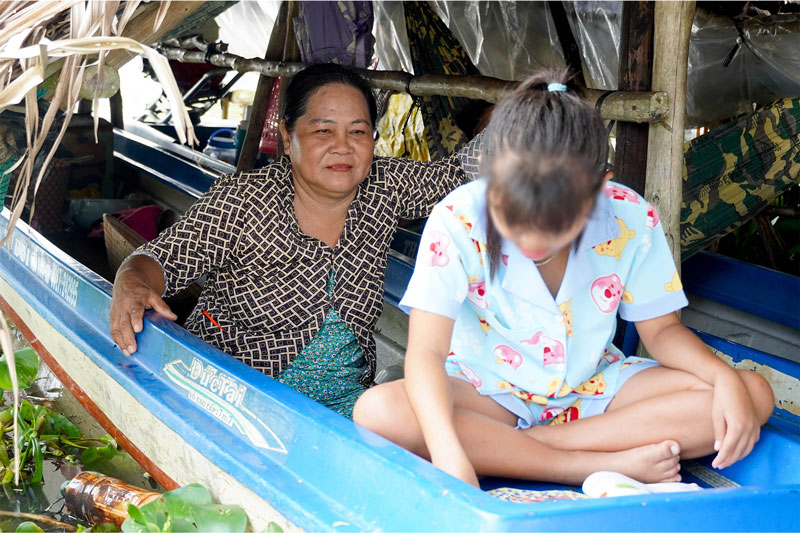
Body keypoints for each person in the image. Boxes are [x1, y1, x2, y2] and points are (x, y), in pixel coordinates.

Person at [353, 69, 775, 487]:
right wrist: (447, 453)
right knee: (379, 411)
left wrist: (723, 377)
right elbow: (426, 351)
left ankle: (525, 448)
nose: (534, 235)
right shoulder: (457, 218)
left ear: (598, 190)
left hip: (592, 387)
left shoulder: (629, 214)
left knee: (752, 394)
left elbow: (663, 330)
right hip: (488, 391)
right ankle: (580, 464)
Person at [109, 63, 480, 418]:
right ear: (288, 136)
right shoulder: (244, 200)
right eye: (323, 131)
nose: (343, 146)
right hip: (234, 397)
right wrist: (132, 284)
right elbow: (158, 260)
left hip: (347, 407)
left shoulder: (385, 185)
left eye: (358, 131)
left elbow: (466, 171)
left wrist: (526, 112)